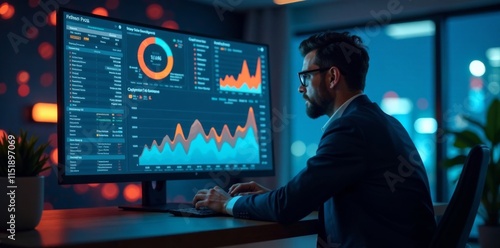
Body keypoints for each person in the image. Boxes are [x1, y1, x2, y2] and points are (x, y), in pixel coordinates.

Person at [193, 31, 437, 247]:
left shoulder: (350, 127)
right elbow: (312, 198)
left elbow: (286, 206)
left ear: (332, 77)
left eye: (306, 77)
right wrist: (276, 198)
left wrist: (228, 203)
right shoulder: (381, 121)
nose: (301, 88)